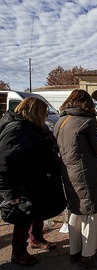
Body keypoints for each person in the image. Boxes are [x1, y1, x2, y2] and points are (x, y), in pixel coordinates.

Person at [0, 97, 66, 266]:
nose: (46, 116)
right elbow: (5, 163)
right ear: (35, 112)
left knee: (37, 211)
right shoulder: (17, 129)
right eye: (44, 113)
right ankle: (18, 252)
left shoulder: (33, 127)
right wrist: (10, 193)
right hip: (23, 184)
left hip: (36, 180)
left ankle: (36, 238)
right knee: (23, 216)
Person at [54, 89, 97, 269]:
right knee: (90, 212)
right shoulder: (86, 121)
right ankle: (88, 254)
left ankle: (75, 251)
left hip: (68, 172)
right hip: (86, 173)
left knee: (76, 211)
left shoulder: (61, 121)